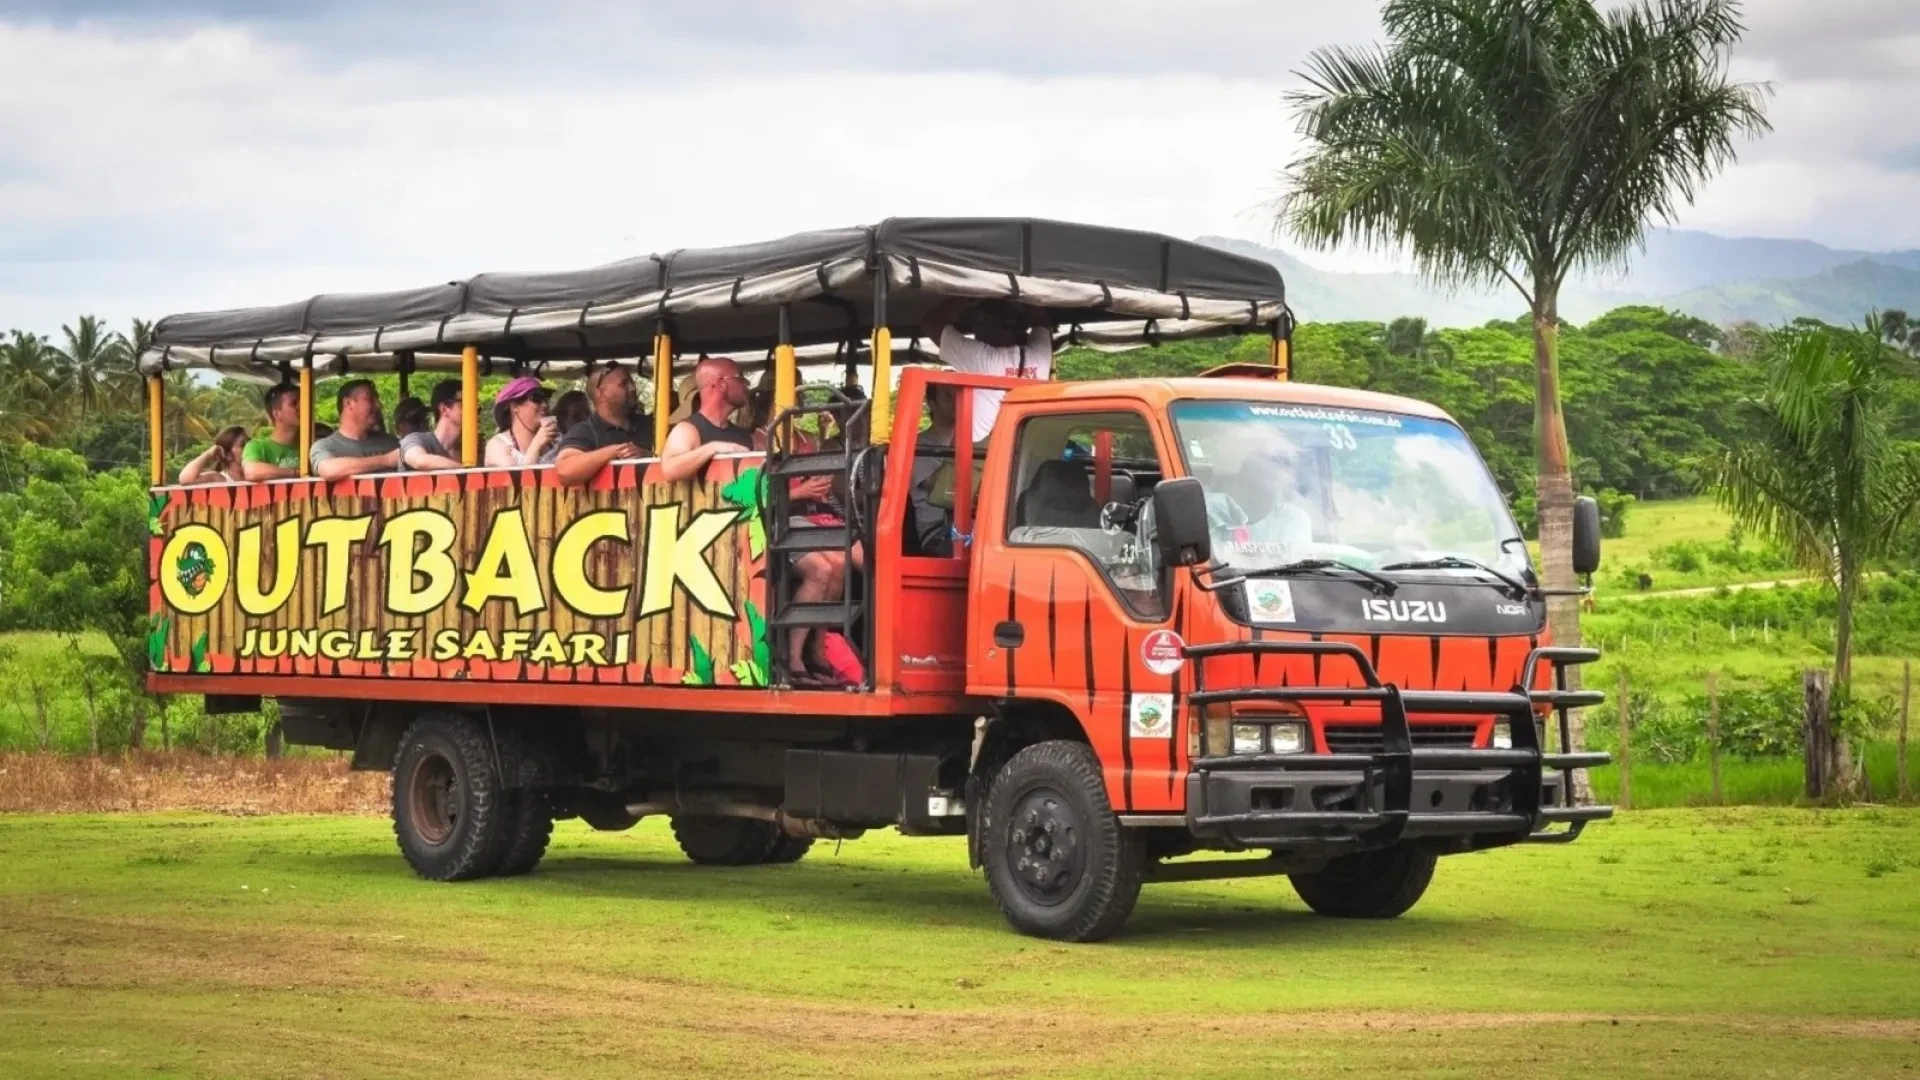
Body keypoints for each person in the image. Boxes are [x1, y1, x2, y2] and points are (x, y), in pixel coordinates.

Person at [919, 298, 1053, 440]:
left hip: (981, 453)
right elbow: (1042, 322)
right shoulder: (1040, 356)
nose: (975, 330)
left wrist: (968, 295)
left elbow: (931, 323)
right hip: (1026, 445)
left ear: (990, 326)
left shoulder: (982, 358)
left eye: (978, 323)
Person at [656, 356, 755, 483]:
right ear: (720, 385)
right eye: (739, 378)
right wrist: (713, 448)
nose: (746, 383)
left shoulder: (744, 435)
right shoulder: (687, 430)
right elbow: (670, 469)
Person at [554, 363, 644, 486]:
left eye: (632, 383)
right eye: (624, 384)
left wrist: (645, 454)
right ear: (600, 393)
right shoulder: (584, 430)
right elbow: (565, 471)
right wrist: (615, 451)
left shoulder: (652, 423)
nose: (633, 388)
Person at [310, 379, 401, 479]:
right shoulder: (325, 446)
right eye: (370, 399)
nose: (379, 405)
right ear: (348, 403)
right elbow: (328, 470)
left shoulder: (392, 443)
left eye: (377, 400)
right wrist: (386, 460)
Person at [908, 382, 960, 556]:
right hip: (938, 530)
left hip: (970, 524)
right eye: (947, 395)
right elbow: (939, 487)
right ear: (932, 403)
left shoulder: (975, 440)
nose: (956, 400)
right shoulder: (918, 445)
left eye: (958, 395)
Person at [485, 376, 559, 467]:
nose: (544, 405)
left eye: (546, 399)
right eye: (536, 398)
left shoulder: (557, 441)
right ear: (515, 406)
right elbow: (516, 480)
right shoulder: (498, 446)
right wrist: (536, 444)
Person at [398, 379, 465, 472]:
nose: (475, 409)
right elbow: (420, 461)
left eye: (476, 405)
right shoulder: (415, 439)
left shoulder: (467, 450)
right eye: (466, 403)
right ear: (444, 409)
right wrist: (466, 470)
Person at [241, 384, 303, 481]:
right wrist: (296, 473)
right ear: (277, 414)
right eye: (294, 403)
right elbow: (252, 471)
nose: (302, 407)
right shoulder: (257, 446)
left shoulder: (311, 444)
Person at [179, 426, 249, 485]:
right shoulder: (218, 479)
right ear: (228, 455)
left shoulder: (256, 473)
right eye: (242, 445)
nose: (250, 447)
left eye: (249, 441)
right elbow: (185, 479)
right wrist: (208, 454)